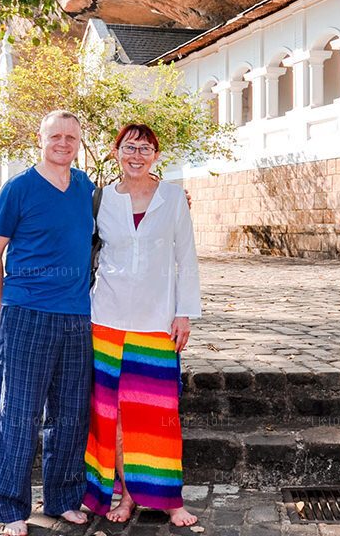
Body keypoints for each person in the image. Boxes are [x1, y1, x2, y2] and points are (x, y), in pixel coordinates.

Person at [82, 123, 201, 527]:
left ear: (156, 155)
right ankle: (126, 496)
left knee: (158, 413)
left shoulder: (173, 197)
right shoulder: (100, 199)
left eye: (145, 148)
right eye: (129, 147)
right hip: (106, 319)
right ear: (116, 152)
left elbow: (186, 256)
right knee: (112, 415)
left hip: (156, 321)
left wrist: (184, 312)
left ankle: (170, 500)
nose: (137, 155)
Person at [0, 110, 94, 536]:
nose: (63, 143)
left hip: (77, 317)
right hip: (26, 313)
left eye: (71, 137)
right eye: (55, 136)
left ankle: (63, 498)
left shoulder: (86, 188)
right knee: (19, 414)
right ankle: (11, 508)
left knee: (70, 415)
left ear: (78, 143)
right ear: (41, 139)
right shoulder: (18, 188)